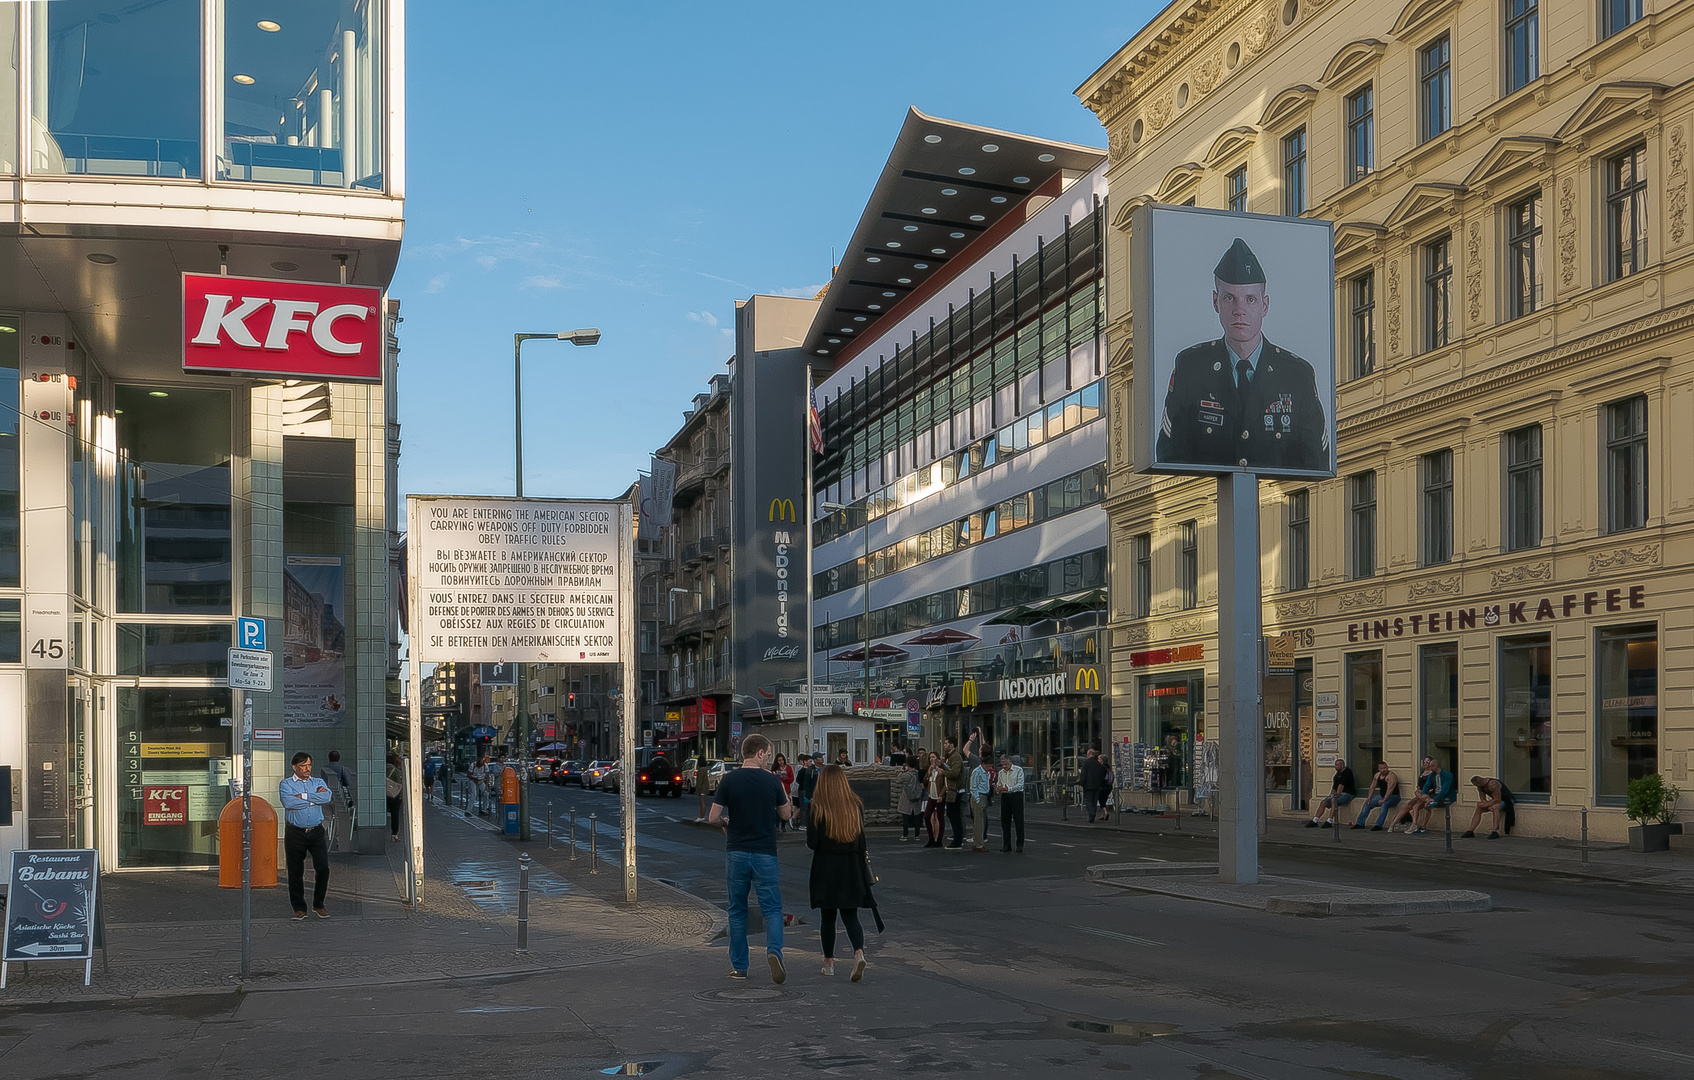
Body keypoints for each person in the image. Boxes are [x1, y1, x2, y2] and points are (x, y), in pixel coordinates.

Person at [1153, 236, 1328, 472]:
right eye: (1229, 298)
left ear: (1265, 305)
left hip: (1276, 502)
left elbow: (1315, 463)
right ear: (1216, 302)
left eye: (1250, 299)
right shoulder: (1191, 368)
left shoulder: (1297, 375)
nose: (1240, 311)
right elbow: (1169, 457)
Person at [708, 734, 793, 983]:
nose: (768, 758)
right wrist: (781, 790)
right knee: (772, 908)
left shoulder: (729, 779)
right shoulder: (771, 781)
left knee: (737, 910)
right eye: (767, 754)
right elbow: (786, 814)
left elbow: (712, 817)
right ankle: (774, 951)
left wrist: (725, 823)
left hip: (736, 851)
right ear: (759, 753)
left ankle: (740, 967)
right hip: (765, 852)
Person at [806, 764, 879, 982]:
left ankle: (829, 963)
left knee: (827, 917)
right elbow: (861, 840)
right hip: (851, 867)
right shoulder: (855, 804)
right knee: (850, 915)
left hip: (826, 868)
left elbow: (812, 843)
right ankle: (859, 953)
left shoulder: (817, 806)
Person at [279, 751, 334, 920]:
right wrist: (314, 798)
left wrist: (304, 796)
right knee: (296, 871)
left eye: (309, 765)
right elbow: (289, 802)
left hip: (316, 831)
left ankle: (319, 904)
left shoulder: (317, 781)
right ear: (295, 767)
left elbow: (327, 797)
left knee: (323, 868)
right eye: (303, 766)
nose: (307, 769)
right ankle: (299, 908)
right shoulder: (286, 784)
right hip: (295, 832)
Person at [1306, 758, 1357, 828]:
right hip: (1339, 794)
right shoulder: (1336, 775)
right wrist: (1331, 796)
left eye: (1337, 765)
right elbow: (1334, 788)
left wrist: (1335, 796)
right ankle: (1315, 820)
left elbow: (1341, 786)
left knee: (1334, 800)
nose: (1335, 767)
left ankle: (1329, 821)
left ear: (1342, 765)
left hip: (1348, 794)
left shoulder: (1347, 772)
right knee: (1323, 802)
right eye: (1335, 765)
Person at [320, 749, 354, 852]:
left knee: (326, 818)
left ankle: (319, 837)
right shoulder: (343, 768)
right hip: (339, 798)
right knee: (340, 819)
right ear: (339, 758)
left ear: (329, 758)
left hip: (326, 797)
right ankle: (340, 841)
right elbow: (348, 782)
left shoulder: (324, 769)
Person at [1352, 761, 1401, 831]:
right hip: (1381, 796)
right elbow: (1372, 787)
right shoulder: (1377, 775)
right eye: (1382, 768)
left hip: (1394, 797)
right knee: (1367, 804)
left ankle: (1378, 825)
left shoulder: (1391, 776)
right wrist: (1369, 798)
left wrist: (1384, 799)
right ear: (1379, 769)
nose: (1384, 770)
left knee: (1384, 805)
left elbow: (1390, 789)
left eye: (1385, 768)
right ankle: (1360, 823)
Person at [996, 753, 1026, 853]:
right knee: (1005, 821)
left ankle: (1020, 844)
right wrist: (998, 788)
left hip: (1016, 795)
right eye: (1002, 764)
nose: (1004, 767)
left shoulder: (1018, 770)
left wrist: (1009, 788)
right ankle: (1006, 844)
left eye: (1006, 764)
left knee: (1018, 820)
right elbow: (999, 783)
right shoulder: (1001, 773)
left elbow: (1020, 785)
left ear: (1010, 762)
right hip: (1005, 796)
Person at [940, 736, 966, 848]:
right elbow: (949, 769)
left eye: (946, 743)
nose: (944, 745)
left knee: (954, 815)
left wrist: (943, 772)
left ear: (952, 745)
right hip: (951, 789)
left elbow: (954, 773)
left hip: (955, 789)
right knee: (952, 814)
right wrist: (942, 764)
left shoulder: (955, 757)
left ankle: (957, 840)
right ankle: (957, 839)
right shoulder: (949, 757)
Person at [968, 752, 992, 853]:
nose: (990, 768)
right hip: (979, 796)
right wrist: (977, 799)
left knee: (981, 822)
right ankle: (978, 844)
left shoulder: (986, 772)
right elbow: (973, 787)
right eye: (989, 766)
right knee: (979, 822)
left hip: (984, 796)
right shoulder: (977, 772)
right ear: (983, 764)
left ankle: (978, 842)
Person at [1080, 747, 1111, 824]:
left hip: (1088, 786)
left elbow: (1083, 775)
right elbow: (1104, 771)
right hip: (1097, 786)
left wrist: (1081, 784)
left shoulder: (1086, 763)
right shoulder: (1098, 764)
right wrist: (1100, 781)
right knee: (1094, 801)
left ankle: (1092, 814)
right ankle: (1092, 815)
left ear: (1088, 755)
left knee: (1088, 800)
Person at [897, 757, 923, 842]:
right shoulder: (918, 774)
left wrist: (902, 771)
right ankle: (917, 835)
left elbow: (898, 780)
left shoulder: (906, 775)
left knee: (906, 817)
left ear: (907, 764)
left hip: (907, 797)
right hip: (917, 797)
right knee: (917, 817)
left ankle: (905, 835)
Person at [923, 751, 947, 847]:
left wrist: (941, 795)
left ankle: (939, 840)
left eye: (933, 757)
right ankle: (931, 838)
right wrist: (929, 770)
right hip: (931, 795)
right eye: (930, 757)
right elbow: (925, 780)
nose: (931, 759)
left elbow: (945, 784)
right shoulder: (931, 769)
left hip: (939, 796)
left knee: (940, 817)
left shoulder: (942, 770)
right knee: (927, 816)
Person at [796, 753, 820, 830]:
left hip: (809, 790)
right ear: (805, 761)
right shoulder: (802, 770)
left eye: (811, 761)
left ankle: (807, 823)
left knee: (809, 807)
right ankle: (802, 824)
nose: (810, 763)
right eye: (809, 761)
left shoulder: (811, 770)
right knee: (804, 807)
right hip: (803, 790)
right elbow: (798, 780)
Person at [772, 754, 795, 832]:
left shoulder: (788, 768)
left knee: (786, 806)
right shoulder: (775, 768)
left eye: (782, 760)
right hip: (778, 789)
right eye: (779, 760)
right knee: (777, 808)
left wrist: (786, 778)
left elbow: (792, 779)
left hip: (786, 789)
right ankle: (777, 825)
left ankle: (783, 825)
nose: (781, 762)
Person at [385, 752, 404, 842]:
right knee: (395, 814)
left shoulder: (380, 770)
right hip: (394, 795)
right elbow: (400, 785)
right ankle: (394, 834)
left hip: (382, 795)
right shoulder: (397, 772)